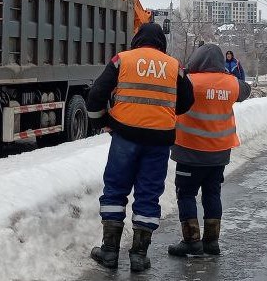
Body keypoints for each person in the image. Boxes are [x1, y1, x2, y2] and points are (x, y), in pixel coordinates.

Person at [87, 23, 194, 272]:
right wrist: (163, 111)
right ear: (161, 43)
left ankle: (110, 251)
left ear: (137, 40)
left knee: (115, 190)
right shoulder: (174, 65)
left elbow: (96, 94)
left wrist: (102, 122)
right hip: (158, 141)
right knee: (148, 193)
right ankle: (138, 255)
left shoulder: (122, 60)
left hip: (124, 136)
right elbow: (188, 100)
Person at [167, 43, 252, 258]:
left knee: (186, 194)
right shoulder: (232, 84)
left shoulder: (190, 82)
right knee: (212, 193)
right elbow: (246, 90)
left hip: (190, 150)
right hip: (219, 152)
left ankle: (191, 241)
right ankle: (212, 242)